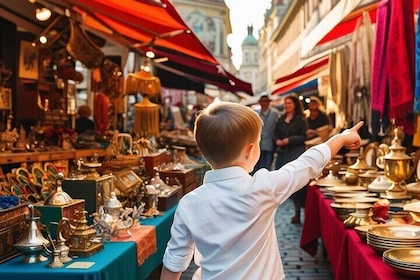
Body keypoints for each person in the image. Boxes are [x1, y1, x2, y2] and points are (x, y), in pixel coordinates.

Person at [160, 100, 363, 280]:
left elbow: (174, 262)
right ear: (250, 150)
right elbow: (307, 163)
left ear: (203, 152)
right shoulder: (263, 187)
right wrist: (342, 138)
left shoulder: (188, 203)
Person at [273, 93, 308, 224]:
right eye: (286, 103)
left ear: (295, 105)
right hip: (282, 153)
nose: (287, 106)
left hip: (295, 153)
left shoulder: (300, 120)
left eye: (289, 103)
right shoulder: (281, 119)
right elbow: (274, 134)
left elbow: (303, 137)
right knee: (283, 180)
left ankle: (298, 211)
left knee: (296, 184)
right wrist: (277, 141)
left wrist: (290, 140)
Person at [252, 95, 279, 172]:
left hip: (270, 144)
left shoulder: (275, 113)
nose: (264, 104)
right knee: (256, 166)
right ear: (260, 103)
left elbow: (277, 128)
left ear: (269, 102)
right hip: (258, 144)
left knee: (267, 165)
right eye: (262, 102)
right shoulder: (256, 113)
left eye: (266, 102)